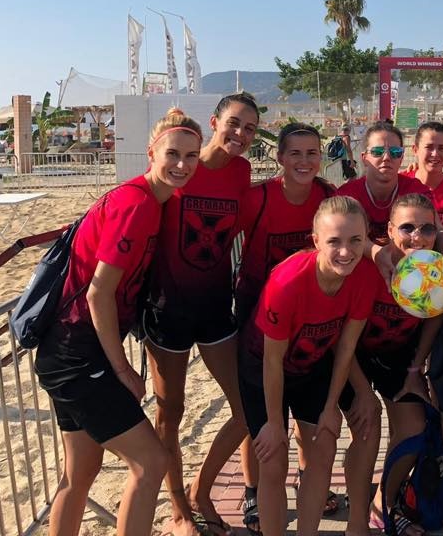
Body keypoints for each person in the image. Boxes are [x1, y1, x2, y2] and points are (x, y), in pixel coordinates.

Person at [35, 108, 203, 536]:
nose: (182, 164)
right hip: (77, 354)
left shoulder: (142, 199)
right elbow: (98, 292)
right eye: (173, 154)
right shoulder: (139, 204)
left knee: (81, 473)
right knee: (151, 462)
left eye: (191, 155)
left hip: (61, 351)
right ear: (151, 153)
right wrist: (122, 368)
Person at [140, 93, 258, 536]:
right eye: (233, 124)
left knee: (248, 407)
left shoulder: (242, 172)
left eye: (250, 128)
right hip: (168, 309)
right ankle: (178, 510)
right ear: (215, 121)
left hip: (214, 306)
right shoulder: (176, 172)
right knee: (171, 411)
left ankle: (201, 489)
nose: (241, 135)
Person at [238, 196, 380, 536]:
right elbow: (272, 361)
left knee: (324, 446)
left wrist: (331, 407)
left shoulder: (364, 277)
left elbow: (345, 348)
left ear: (366, 238)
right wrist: (274, 424)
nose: (346, 252)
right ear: (316, 241)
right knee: (272, 461)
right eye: (334, 241)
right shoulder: (288, 283)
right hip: (263, 369)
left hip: (312, 366)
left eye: (355, 241)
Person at [233, 122, 336, 534]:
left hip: (308, 318)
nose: (304, 161)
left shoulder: (327, 197)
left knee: (302, 410)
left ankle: (311, 483)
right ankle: (254, 489)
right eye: (295, 153)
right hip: (258, 316)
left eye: (312, 153)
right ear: (279, 157)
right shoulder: (257, 198)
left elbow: (354, 238)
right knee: (255, 415)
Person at [338, 193, 443, 536]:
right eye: (407, 227)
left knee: (414, 428)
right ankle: (357, 521)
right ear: (388, 229)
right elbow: (345, 341)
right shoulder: (369, 269)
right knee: (367, 431)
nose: (416, 236)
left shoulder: (436, 269)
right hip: (354, 357)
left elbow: (433, 319)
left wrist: (416, 370)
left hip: (397, 356)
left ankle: (381, 504)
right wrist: (361, 392)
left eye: (426, 228)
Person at [336, 120, 432, 245]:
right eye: (377, 152)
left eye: (395, 152)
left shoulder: (417, 191)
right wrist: (375, 253)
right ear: (364, 158)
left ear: (402, 158)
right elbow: (337, 239)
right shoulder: (346, 195)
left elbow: (437, 230)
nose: (387, 158)